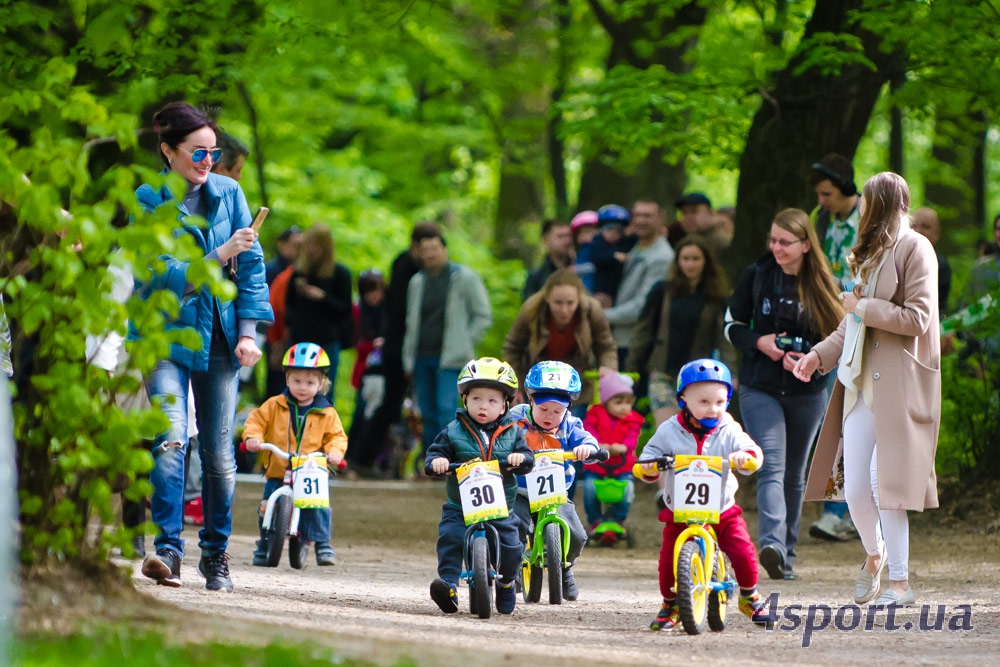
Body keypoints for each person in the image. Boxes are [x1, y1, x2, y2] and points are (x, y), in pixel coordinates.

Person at [135, 101, 272, 592]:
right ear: (168, 151)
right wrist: (220, 254)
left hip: (219, 336)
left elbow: (253, 271)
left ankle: (215, 556)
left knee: (217, 453)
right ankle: (167, 551)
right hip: (167, 336)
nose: (207, 162)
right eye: (198, 152)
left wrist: (250, 334)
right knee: (171, 438)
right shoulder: (148, 199)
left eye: (213, 153)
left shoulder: (231, 192)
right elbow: (157, 278)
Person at [794, 172, 941, 607]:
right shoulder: (872, 253)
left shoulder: (916, 248)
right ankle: (874, 557)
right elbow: (852, 322)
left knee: (886, 486)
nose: (859, 206)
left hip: (899, 386)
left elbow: (918, 318)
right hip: (859, 384)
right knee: (855, 487)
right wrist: (819, 355)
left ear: (879, 204)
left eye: (865, 201)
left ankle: (900, 585)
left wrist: (865, 306)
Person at [723, 208, 844, 581]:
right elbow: (731, 326)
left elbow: (841, 335)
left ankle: (786, 555)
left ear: (806, 245)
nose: (776, 248)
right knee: (770, 464)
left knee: (795, 473)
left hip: (808, 390)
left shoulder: (824, 281)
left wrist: (810, 357)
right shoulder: (756, 275)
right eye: (772, 240)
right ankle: (771, 544)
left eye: (785, 242)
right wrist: (762, 342)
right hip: (760, 386)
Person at [636, 359, 767, 630]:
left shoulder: (728, 428)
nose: (713, 409)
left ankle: (749, 595)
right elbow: (645, 460)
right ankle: (670, 603)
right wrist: (649, 467)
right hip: (680, 509)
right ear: (683, 399)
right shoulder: (669, 429)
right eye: (704, 402)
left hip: (721, 508)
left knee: (742, 550)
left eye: (720, 402)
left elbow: (752, 451)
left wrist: (746, 458)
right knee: (668, 559)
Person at [425, 358, 534, 615]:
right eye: (476, 399)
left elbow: (527, 458)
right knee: (451, 536)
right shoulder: (453, 431)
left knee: (511, 544)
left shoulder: (514, 432)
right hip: (460, 504)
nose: (483, 406)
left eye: (491, 401)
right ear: (465, 400)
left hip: (500, 506)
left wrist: (521, 459)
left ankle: (507, 582)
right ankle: (449, 585)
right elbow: (434, 455)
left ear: (506, 404)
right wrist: (438, 461)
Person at [243, 343, 347, 566]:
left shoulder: (327, 412)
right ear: (287, 379)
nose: (302, 387)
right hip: (278, 467)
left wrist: (334, 452)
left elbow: (337, 436)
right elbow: (255, 421)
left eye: (310, 382)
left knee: (318, 504)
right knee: (266, 505)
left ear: (322, 383)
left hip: (311, 469)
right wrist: (253, 437)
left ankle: (322, 544)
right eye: (296, 380)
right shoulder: (274, 405)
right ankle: (264, 543)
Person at [508, 361, 598, 601]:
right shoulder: (516, 418)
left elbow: (586, 439)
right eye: (544, 409)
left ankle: (565, 567)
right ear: (530, 399)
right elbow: (498, 436)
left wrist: (586, 449)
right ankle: (511, 570)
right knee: (513, 526)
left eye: (557, 411)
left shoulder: (569, 424)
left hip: (555, 493)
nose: (550, 416)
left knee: (577, 534)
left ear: (568, 407)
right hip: (522, 491)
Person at [402, 228, 492, 469]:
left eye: (434, 248)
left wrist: (466, 340)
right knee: (427, 414)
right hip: (422, 356)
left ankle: (456, 461)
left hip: (452, 359)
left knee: (447, 410)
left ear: (444, 249)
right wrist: (407, 358)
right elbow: (411, 321)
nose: (430, 254)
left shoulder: (464, 277)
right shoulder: (417, 281)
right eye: (425, 250)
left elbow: (483, 315)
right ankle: (432, 462)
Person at [626, 235, 732, 427]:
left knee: (693, 430)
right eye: (685, 259)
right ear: (677, 261)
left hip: (699, 376)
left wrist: (732, 372)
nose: (690, 264)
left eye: (696, 259)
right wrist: (632, 367)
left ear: (706, 262)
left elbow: (724, 339)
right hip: (662, 371)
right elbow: (643, 331)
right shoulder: (662, 291)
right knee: (667, 428)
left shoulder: (716, 297)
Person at [503, 268, 617, 410]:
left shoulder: (591, 310)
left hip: (577, 384)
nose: (564, 310)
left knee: (572, 430)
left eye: (570, 303)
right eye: (558, 303)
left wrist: (608, 367)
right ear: (547, 298)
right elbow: (513, 348)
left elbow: (605, 345)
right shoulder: (531, 309)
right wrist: (515, 385)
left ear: (579, 298)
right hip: (537, 383)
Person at [284, 223, 353, 403]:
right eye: (310, 245)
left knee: (323, 393)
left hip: (326, 342)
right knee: (296, 393)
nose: (312, 250)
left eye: (316, 245)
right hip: (299, 341)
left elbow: (346, 309)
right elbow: (288, 306)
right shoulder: (299, 272)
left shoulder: (340, 274)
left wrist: (322, 297)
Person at [603, 199, 675, 368]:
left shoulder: (662, 257)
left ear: (661, 218)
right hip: (620, 337)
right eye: (637, 215)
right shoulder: (636, 246)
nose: (641, 220)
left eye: (648, 216)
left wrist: (603, 314)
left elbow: (643, 307)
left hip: (636, 342)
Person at [581, 371, 644, 542]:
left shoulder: (633, 420)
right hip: (597, 464)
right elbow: (588, 429)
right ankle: (595, 520)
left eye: (628, 403)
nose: (624, 407)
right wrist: (596, 444)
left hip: (621, 465)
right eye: (618, 403)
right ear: (606, 402)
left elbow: (632, 438)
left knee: (627, 491)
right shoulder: (595, 414)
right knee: (589, 489)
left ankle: (618, 519)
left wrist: (624, 447)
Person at [346, 269, 389, 474]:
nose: (373, 296)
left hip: (386, 373)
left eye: (377, 291)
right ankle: (351, 458)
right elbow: (355, 341)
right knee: (360, 415)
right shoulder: (358, 312)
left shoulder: (389, 311)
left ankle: (374, 460)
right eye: (368, 292)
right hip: (366, 372)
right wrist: (372, 345)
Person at [589, 205, 636, 307]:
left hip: (621, 289)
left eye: (618, 229)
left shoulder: (625, 242)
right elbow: (596, 257)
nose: (613, 232)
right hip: (603, 290)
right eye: (609, 228)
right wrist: (614, 256)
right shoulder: (598, 242)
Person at [911, 207, 951, 315]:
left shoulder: (941, 266)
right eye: (914, 225)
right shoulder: (896, 258)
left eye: (925, 227)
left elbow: (939, 307)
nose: (918, 231)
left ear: (937, 233)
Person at [523, 219, 575, 300]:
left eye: (569, 236)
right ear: (545, 239)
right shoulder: (536, 277)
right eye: (560, 236)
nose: (567, 241)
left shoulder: (581, 268)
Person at [570, 210, 599, 293]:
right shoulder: (582, 250)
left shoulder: (595, 249)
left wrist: (576, 269)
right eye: (580, 233)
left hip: (591, 287)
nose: (583, 236)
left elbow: (595, 266)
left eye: (588, 232)